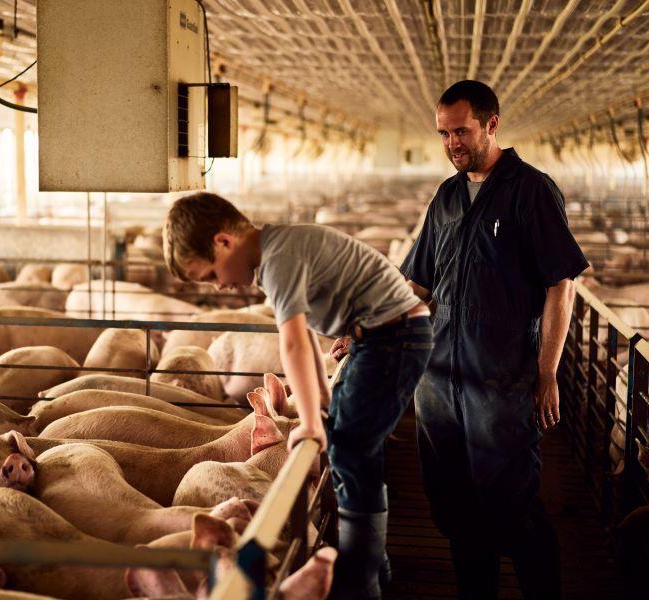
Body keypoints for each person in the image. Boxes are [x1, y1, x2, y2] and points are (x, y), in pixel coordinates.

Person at [163, 193, 433, 599]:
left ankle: (362, 581)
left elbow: (292, 344)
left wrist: (308, 422)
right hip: (382, 337)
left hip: (392, 338)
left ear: (223, 242)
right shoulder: (278, 251)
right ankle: (373, 566)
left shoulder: (278, 259)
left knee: (350, 451)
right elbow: (305, 334)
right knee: (352, 451)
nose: (221, 285)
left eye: (212, 274)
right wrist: (322, 397)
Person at [401, 80, 589, 599]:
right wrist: (368, 325)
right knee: (456, 510)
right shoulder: (446, 194)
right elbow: (417, 282)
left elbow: (561, 283)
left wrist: (547, 372)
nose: (452, 143)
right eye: (443, 133)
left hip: (502, 379)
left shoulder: (531, 190)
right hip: (440, 384)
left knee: (513, 507)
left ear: (491, 124)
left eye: (461, 131)